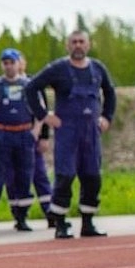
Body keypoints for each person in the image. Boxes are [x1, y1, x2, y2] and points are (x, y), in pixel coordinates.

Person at [25, 30, 117, 239]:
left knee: (92, 177)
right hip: (68, 131)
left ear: (88, 45)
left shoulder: (98, 68)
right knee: (65, 176)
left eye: (81, 42)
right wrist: (44, 115)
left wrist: (107, 117)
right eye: (74, 42)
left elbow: (110, 92)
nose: (78, 45)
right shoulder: (58, 68)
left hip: (91, 132)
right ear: (68, 46)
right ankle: (60, 223)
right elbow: (31, 88)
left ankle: (88, 223)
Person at [0, 48, 36, 232]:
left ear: (19, 64)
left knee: (24, 177)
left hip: (23, 134)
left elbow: (40, 109)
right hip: (2, 135)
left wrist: (36, 131)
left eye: (12, 62)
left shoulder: (28, 85)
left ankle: (21, 217)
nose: (9, 66)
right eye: (5, 63)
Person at [16, 51, 55, 226]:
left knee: (40, 175)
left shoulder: (34, 83)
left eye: (19, 61)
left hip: (32, 137)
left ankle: (50, 212)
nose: (16, 65)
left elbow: (43, 111)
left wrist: (44, 136)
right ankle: (20, 215)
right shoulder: (2, 84)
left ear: (23, 63)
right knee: (17, 177)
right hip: (13, 138)